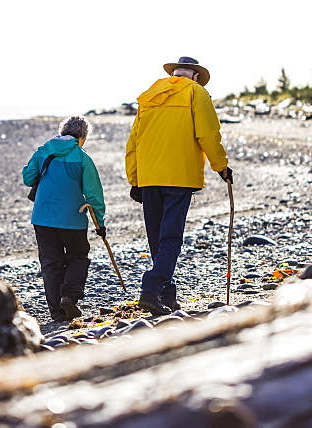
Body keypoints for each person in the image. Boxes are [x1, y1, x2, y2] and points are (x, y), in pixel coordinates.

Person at [125, 56, 232, 315]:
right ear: (195, 76)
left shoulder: (149, 96)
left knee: (156, 238)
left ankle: (166, 295)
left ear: (175, 74)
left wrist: (135, 178)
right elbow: (207, 133)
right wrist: (221, 166)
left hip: (149, 176)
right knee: (171, 237)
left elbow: (134, 142)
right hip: (179, 176)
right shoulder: (196, 92)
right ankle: (151, 286)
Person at [23, 115, 106, 322]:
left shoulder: (43, 151)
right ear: (83, 137)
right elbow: (94, 194)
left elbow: (27, 178)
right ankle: (69, 296)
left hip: (42, 217)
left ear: (62, 132)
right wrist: (100, 224)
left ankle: (57, 312)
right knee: (78, 255)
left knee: (51, 263)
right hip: (73, 217)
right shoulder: (83, 157)